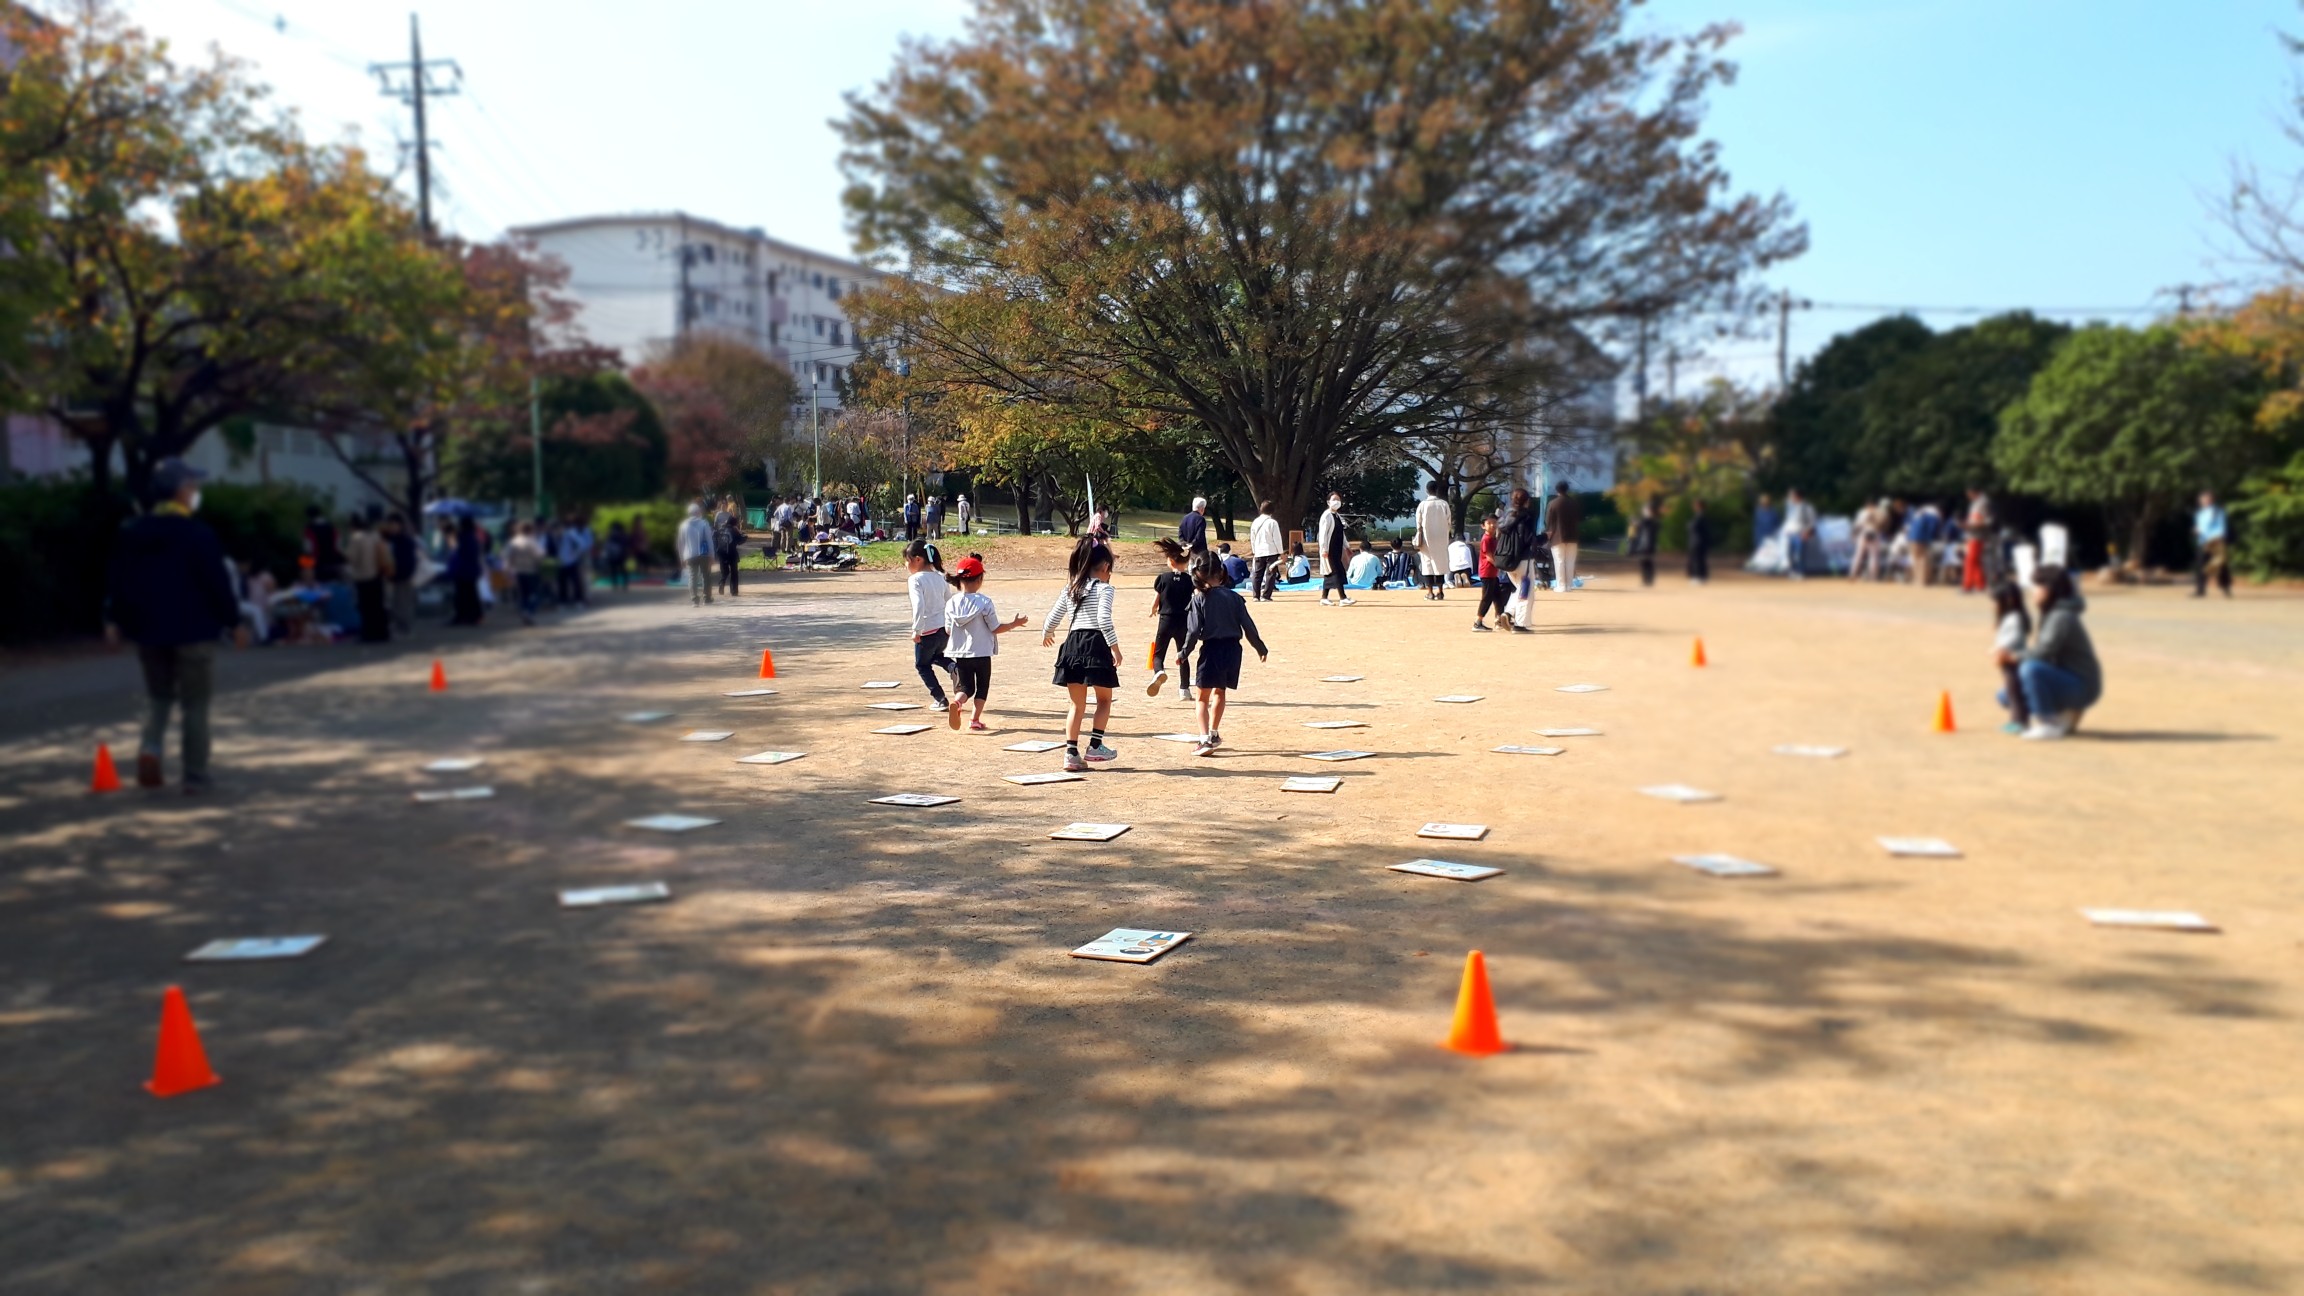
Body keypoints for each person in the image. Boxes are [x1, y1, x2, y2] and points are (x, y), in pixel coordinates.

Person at [105, 458, 243, 792]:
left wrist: (113, 619)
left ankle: (150, 748)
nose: (196, 492)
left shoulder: (132, 531)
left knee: (159, 697)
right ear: (181, 491)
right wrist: (233, 621)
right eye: (194, 486)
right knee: (195, 703)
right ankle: (195, 774)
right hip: (195, 630)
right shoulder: (198, 533)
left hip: (149, 631)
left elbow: (118, 579)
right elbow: (216, 582)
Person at [1042, 537, 1122, 772]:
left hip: (1072, 645)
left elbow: (1052, 618)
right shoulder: (1105, 589)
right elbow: (1104, 619)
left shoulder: (1070, 588)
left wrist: (1047, 633)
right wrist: (1115, 647)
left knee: (1076, 705)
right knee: (1104, 700)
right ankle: (1095, 745)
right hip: (1096, 644)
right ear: (1106, 568)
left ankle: (1071, 753)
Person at [1180, 549, 1268, 756]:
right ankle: (1214, 732)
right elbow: (1248, 626)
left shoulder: (1199, 599)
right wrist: (1260, 647)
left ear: (1197, 574)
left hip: (1211, 650)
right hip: (1233, 650)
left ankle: (1204, 740)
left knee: (1202, 697)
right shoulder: (1235, 598)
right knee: (1220, 691)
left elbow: (1193, 631)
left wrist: (1184, 652)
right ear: (1221, 573)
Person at [940, 555, 1028, 730]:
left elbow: (948, 630)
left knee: (965, 687)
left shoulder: (951, 603)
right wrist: (1014, 624)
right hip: (981, 652)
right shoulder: (984, 602)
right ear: (980, 579)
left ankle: (957, 703)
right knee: (982, 687)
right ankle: (974, 719)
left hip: (961, 653)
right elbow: (995, 628)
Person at [2017, 566, 2101, 740]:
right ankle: (2064, 715)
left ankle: (2049, 724)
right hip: (2065, 678)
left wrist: (2014, 656)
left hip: (2082, 685)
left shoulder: (2061, 616)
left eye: (2036, 586)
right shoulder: (2052, 613)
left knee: (2030, 669)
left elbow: (2044, 652)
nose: (2032, 592)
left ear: (2048, 590)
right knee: (2006, 695)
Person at [905, 539, 956, 709]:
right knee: (936, 656)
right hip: (943, 629)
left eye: (907, 560)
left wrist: (916, 630)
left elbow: (919, 605)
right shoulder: (940, 577)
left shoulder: (915, 580)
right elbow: (949, 602)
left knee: (922, 664)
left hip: (927, 630)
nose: (906, 565)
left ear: (918, 559)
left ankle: (940, 698)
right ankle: (952, 666)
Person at [1147, 536, 1197, 701]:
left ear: (1170, 561)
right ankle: (1184, 689)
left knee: (1158, 653)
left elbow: (1157, 598)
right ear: (1186, 561)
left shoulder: (1163, 578)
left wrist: (1153, 609)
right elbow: (1195, 597)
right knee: (1182, 655)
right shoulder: (1190, 580)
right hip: (1183, 621)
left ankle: (1159, 671)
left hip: (1166, 619)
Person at [1989, 581, 2033, 733]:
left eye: (1996, 601)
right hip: (2006, 661)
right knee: (2012, 690)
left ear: (2008, 601)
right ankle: (2016, 720)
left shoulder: (2014, 618)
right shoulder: (2008, 618)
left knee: (2015, 692)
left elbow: (2012, 638)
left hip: (2013, 660)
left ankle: (2020, 721)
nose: (1993, 605)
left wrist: (1999, 649)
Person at [344, 510, 393, 643]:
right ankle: (382, 632)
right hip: (378, 574)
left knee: (366, 607)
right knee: (378, 606)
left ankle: (369, 633)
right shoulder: (375, 535)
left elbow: (352, 558)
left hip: (363, 576)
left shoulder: (356, 538)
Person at [1497, 486, 1539, 632]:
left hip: (1507, 560)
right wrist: (1545, 537)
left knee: (1520, 588)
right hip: (1523, 559)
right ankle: (1520, 624)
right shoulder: (1526, 517)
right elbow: (1528, 539)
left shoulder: (1505, 517)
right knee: (1526, 591)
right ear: (1527, 501)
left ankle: (1508, 613)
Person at [1414, 480, 1453, 600]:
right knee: (1440, 564)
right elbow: (1449, 521)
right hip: (1441, 538)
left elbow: (1418, 522)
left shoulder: (1423, 505)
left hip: (1427, 538)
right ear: (1436, 490)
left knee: (1427, 564)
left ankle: (1430, 592)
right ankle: (1440, 592)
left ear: (1426, 490)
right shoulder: (1444, 504)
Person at [381, 512, 419, 635]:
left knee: (403, 603)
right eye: (390, 524)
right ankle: (400, 625)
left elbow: (408, 560)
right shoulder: (391, 539)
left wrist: (403, 572)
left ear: (400, 525)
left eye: (393, 524)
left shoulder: (404, 540)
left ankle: (405, 626)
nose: (391, 527)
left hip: (403, 574)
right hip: (394, 575)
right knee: (396, 602)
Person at [1471, 513, 1510, 632]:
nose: (1492, 525)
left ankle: (1499, 620)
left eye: (1494, 523)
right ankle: (1478, 622)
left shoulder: (1494, 538)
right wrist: (1501, 566)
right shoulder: (1486, 539)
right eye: (1489, 523)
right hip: (1487, 573)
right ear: (1483, 526)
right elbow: (1489, 557)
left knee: (1498, 598)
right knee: (1487, 598)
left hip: (1493, 574)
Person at [505, 520, 546, 625]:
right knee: (535, 593)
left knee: (522, 594)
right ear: (530, 530)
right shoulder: (532, 541)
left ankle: (524, 611)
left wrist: (508, 570)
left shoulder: (513, 541)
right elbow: (539, 556)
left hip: (518, 571)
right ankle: (529, 612)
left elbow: (508, 557)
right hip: (531, 570)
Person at [448, 515, 485, 626]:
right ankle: (475, 615)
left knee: (462, 594)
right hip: (472, 570)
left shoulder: (462, 537)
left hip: (463, 570)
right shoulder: (473, 537)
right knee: (472, 593)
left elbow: (458, 551)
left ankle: (463, 616)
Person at [1545, 480, 1583, 591]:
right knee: (1570, 561)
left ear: (1557, 490)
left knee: (1559, 561)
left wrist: (1548, 532)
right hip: (1572, 536)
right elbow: (1579, 518)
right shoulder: (1574, 503)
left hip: (1557, 536)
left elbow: (1548, 521)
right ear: (1567, 489)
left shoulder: (1552, 504)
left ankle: (1561, 586)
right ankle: (1569, 585)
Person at [676, 502, 716, 606]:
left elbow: (680, 543)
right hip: (703, 554)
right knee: (706, 576)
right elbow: (709, 540)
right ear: (698, 512)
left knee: (692, 577)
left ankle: (694, 599)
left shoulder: (683, 525)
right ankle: (707, 598)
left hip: (689, 555)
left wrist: (681, 557)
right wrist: (712, 555)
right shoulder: (704, 523)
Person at [2194, 489, 2232, 598]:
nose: (2204, 501)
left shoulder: (2218, 511)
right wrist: (2197, 530)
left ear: (2211, 500)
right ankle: (2200, 590)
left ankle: (2226, 588)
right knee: (2201, 565)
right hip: (2202, 541)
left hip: (2215, 541)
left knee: (2221, 565)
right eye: (2202, 499)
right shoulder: (2200, 513)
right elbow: (2201, 527)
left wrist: (2218, 537)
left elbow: (2221, 526)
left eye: (2206, 499)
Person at [1316, 492, 1353, 605]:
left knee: (1329, 572)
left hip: (1337, 548)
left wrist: (1347, 546)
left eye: (1338, 499)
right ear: (1328, 502)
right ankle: (1343, 598)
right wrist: (1324, 549)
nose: (1337, 501)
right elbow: (1323, 534)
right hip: (1329, 549)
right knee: (1336, 571)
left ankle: (1324, 597)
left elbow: (1341, 533)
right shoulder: (1326, 515)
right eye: (1334, 499)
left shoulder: (1337, 516)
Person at [1248, 500, 1286, 601]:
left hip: (1259, 551)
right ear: (1272, 511)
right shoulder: (1272, 522)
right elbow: (1277, 539)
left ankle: (1255, 596)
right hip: (1271, 551)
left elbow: (1252, 538)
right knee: (1270, 573)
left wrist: (1254, 550)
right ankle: (1266, 595)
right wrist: (1281, 552)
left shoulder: (1255, 522)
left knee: (1257, 574)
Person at [1901, 501, 1943, 587]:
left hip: (1912, 535)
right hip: (1923, 536)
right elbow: (1933, 527)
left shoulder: (1920, 511)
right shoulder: (1934, 513)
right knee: (1923, 558)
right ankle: (1923, 580)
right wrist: (1933, 537)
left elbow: (1909, 525)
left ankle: (1917, 579)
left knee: (1916, 559)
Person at [1960, 488, 1993, 593]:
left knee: (1970, 560)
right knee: (1975, 561)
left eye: (1969, 493)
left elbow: (1987, 520)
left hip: (1977, 535)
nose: (1968, 496)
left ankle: (1967, 586)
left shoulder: (1983, 502)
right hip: (1972, 533)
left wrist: (1974, 524)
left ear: (1974, 492)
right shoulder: (1977, 502)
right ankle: (1980, 584)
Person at [558, 514, 593, 607]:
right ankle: (566, 601)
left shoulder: (572, 532)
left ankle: (579, 600)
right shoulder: (566, 532)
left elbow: (584, 545)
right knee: (566, 582)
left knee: (577, 581)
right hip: (564, 560)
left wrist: (575, 554)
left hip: (571, 560)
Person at [1783, 489, 1817, 580]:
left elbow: (1812, 522)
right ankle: (1792, 571)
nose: (1790, 498)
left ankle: (1800, 572)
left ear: (1798, 497)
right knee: (1790, 554)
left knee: (1800, 554)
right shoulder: (1790, 507)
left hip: (1800, 533)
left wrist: (1807, 533)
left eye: (1792, 496)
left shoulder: (1807, 508)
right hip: (1790, 533)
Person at [303, 505, 344, 582]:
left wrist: (306, 569)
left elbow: (307, 549)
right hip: (332, 563)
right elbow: (338, 546)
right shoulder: (331, 527)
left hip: (317, 564)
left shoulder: (309, 529)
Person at [714, 499, 744, 598]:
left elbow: (715, 534)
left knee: (725, 571)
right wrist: (741, 533)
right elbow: (740, 540)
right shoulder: (733, 530)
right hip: (731, 553)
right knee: (734, 572)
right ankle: (734, 591)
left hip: (722, 552)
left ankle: (722, 582)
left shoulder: (721, 530)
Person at [1629, 499, 1660, 587]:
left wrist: (1636, 522)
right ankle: (1646, 580)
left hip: (1649, 545)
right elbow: (1639, 527)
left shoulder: (1653, 522)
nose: (1645, 512)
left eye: (1646, 510)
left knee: (1648, 562)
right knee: (1644, 562)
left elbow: (1646, 526)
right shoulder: (1646, 521)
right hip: (1643, 545)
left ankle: (1649, 580)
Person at [1686, 498, 1712, 585]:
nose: (1694, 507)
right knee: (1699, 559)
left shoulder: (1701, 516)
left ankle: (1698, 577)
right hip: (1699, 540)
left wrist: (1689, 525)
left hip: (1698, 541)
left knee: (1698, 559)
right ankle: (1702, 576)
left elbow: (1694, 526)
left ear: (1699, 506)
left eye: (1695, 505)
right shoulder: (1699, 516)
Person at [602, 520, 631, 591]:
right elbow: (626, 545)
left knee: (615, 570)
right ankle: (623, 584)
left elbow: (607, 545)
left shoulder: (611, 535)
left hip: (615, 556)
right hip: (619, 555)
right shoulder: (622, 535)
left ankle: (617, 584)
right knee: (621, 570)